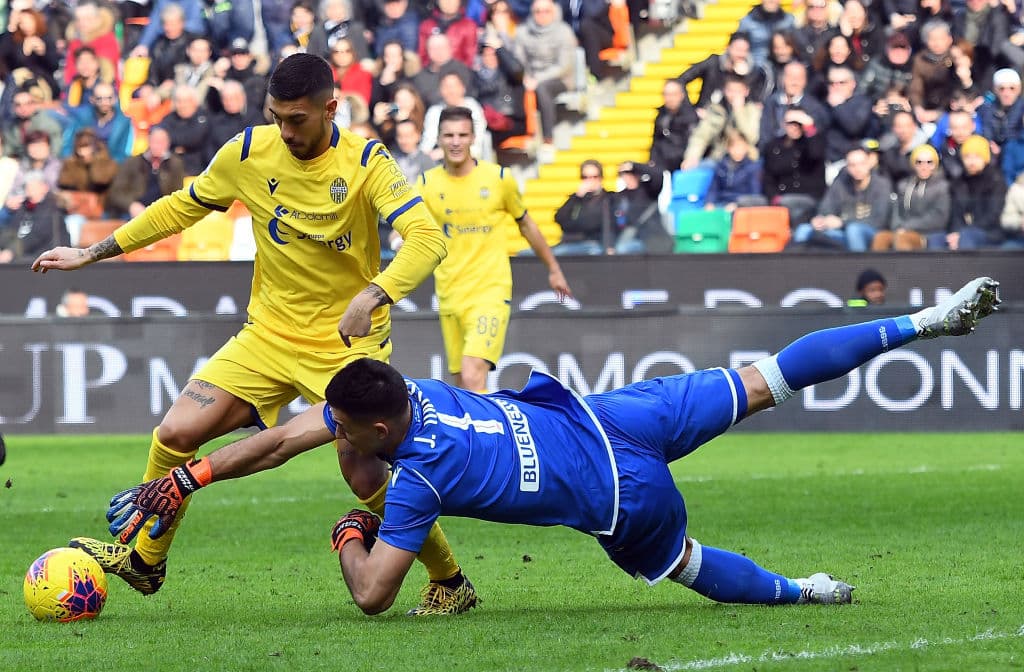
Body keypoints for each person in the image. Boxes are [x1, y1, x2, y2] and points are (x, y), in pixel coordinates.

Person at [104, 277, 1002, 616]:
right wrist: (191, 473)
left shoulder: (414, 480)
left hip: (623, 499)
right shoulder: (413, 391)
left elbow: (376, 595)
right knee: (768, 376)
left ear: (376, 429)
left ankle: (804, 592)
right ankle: (924, 319)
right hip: (612, 418)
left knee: (684, 565)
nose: (328, 432)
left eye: (343, 428)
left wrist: (349, 536)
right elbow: (294, 435)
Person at [30, 53, 477, 617]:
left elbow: (426, 239)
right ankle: (145, 559)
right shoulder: (246, 152)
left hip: (345, 344)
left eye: (296, 119)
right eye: (275, 117)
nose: (284, 131)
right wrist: (93, 252)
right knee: (175, 431)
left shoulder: (366, 161)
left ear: (330, 109)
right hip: (268, 333)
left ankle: (449, 580)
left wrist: (373, 295)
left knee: (360, 466)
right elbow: (181, 208)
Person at [417, 106, 570, 392]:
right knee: (463, 385)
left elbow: (527, 225)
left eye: (462, 134)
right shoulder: (427, 184)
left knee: (473, 373)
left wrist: (554, 269)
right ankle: (479, 435)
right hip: (449, 293)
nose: (455, 141)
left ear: (473, 137)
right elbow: (415, 231)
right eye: (448, 135)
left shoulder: (499, 178)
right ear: (438, 138)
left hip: (490, 291)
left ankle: (489, 437)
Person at [791, 146, 892, 251]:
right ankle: (795, 265)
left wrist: (843, 223)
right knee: (804, 229)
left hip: (870, 232)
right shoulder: (840, 183)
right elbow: (826, 208)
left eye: (862, 163)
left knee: (854, 230)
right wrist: (821, 219)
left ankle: (859, 265)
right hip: (840, 231)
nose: (857, 169)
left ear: (869, 163)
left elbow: (879, 221)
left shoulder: (881, 185)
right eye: (852, 165)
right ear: (847, 166)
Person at [872, 143, 950, 251]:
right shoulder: (904, 185)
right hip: (903, 230)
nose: (924, 167)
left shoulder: (942, 187)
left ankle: (904, 268)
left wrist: (907, 227)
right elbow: (896, 211)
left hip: (929, 232)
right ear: (913, 164)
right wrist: (898, 227)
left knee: (903, 239)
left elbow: (938, 217)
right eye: (919, 162)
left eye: (929, 162)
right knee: (881, 237)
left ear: (935, 164)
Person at [553, 159, 615, 255]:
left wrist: (572, 225)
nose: (590, 181)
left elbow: (591, 224)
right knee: (527, 254)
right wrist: (577, 197)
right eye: (585, 177)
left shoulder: (608, 198)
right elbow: (559, 218)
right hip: (569, 243)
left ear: (601, 178)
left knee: (558, 254)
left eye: (594, 177)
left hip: (591, 243)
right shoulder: (577, 198)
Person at [648, 79, 699, 175]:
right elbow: (656, 141)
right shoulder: (661, 115)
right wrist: (652, 160)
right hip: (662, 164)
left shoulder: (690, 116)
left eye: (673, 94)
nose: (670, 98)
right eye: (666, 95)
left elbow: (692, 143)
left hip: (682, 164)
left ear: (681, 95)